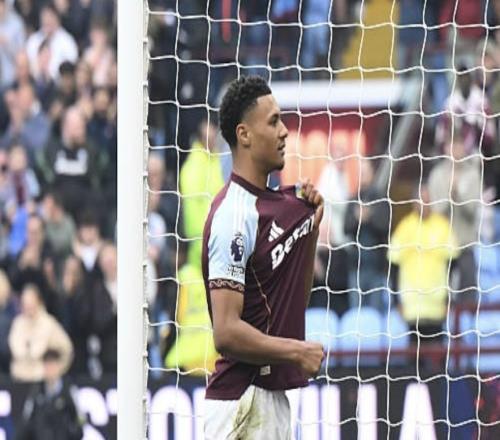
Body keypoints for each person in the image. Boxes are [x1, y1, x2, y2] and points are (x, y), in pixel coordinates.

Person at [202, 76, 324, 439]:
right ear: (244, 135)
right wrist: (296, 352)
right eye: (273, 122)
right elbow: (226, 332)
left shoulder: (274, 207)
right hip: (241, 400)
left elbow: (291, 305)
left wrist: (309, 231)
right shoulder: (233, 216)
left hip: (268, 400)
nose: (284, 131)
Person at [8, 283, 73, 382]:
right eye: (25, 304)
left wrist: (57, 370)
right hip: (19, 380)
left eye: (31, 304)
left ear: (38, 302)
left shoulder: (49, 324)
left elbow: (67, 350)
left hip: (41, 380)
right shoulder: (17, 323)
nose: (28, 307)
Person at [15, 349, 84, 440]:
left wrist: (73, 432)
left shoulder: (69, 390)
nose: (50, 369)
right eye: (47, 365)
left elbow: (80, 419)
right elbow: (26, 421)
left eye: (52, 365)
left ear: (59, 366)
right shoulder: (36, 391)